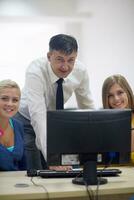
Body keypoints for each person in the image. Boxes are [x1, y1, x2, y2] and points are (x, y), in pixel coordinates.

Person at [15, 34, 94, 170]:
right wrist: (52, 158)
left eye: (71, 60)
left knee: (68, 163)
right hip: (26, 119)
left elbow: (87, 107)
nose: (65, 66)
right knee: (34, 166)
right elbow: (38, 117)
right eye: (60, 59)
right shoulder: (35, 71)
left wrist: (97, 141)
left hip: (54, 120)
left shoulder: (80, 71)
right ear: (49, 56)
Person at [102, 74, 134, 164]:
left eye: (120, 92)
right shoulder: (103, 125)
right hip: (116, 174)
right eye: (110, 95)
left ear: (128, 92)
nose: (116, 99)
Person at [0, 79, 26, 171]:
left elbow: (24, 166)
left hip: (15, 183)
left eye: (15, 100)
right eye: (4, 98)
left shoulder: (18, 126)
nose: (10, 104)